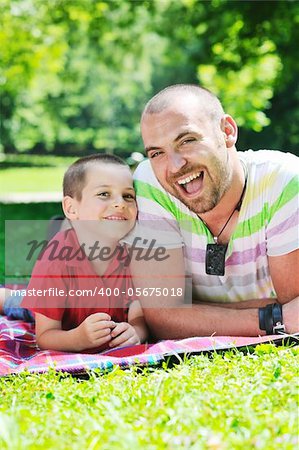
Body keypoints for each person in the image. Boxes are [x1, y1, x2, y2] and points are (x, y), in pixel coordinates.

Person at [126, 84, 299, 339]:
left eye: (187, 140)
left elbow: (295, 302)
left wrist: (190, 314)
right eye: (157, 153)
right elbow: (163, 318)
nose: (175, 166)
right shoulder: (151, 183)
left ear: (227, 131)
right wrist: (273, 317)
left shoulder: (284, 181)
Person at [0, 154, 148, 352]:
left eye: (128, 196)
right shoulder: (55, 261)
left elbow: (138, 315)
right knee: (18, 302)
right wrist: (79, 338)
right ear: (71, 207)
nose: (120, 203)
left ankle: (62, 226)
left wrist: (136, 331)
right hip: (58, 310)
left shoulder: (137, 254)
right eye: (104, 194)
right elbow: (45, 337)